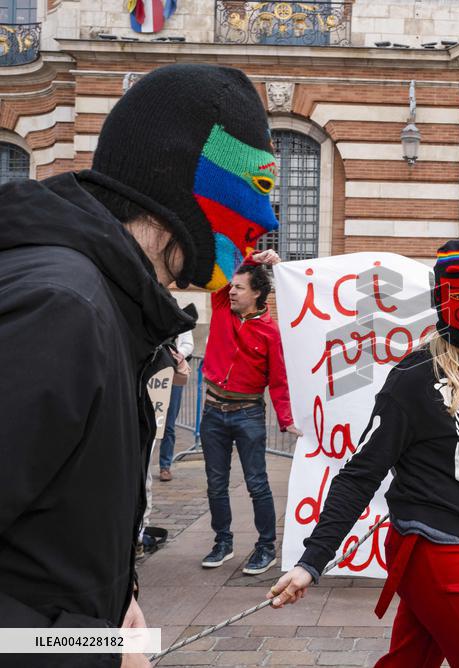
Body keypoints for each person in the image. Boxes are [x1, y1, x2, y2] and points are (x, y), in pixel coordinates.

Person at [0, 62, 281, 668]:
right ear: (181, 181)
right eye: (257, 189)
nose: (269, 223)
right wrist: (93, 648)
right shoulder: (62, 310)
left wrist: (113, 603)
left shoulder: (108, 306)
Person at [268, 240, 459, 667]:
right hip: (437, 550)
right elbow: (360, 473)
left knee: (409, 661)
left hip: (451, 546)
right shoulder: (413, 379)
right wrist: (312, 560)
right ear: (441, 299)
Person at [199, 251, 302, 576]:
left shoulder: (270, 333)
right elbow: (219, 264)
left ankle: (265, 547)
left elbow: (279, 381)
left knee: (257, 483)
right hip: (212, 412)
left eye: (240, 288)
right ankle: (222, 542)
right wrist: (250, 255)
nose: (231, 291)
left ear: (257, 293)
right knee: (215, 484)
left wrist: (286, 420)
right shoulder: (220, 305)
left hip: (248, 415)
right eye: (232, 286)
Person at [159, 326, 195, 481]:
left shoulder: (179, 316)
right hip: (151, 372)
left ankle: (165, 466)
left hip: (173, 372)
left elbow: (188, 344)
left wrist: (177, 355)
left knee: (169, 423)